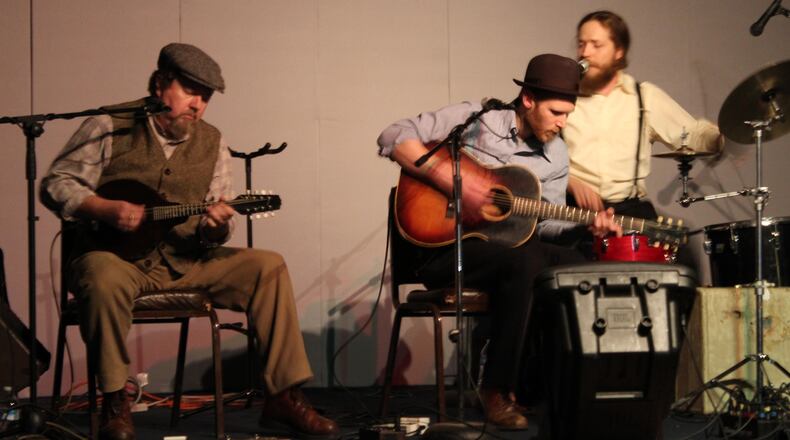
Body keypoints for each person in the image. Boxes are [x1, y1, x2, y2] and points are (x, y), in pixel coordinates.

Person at [40, 43, 339, 440]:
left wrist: (215, 226)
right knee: (101, 276)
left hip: (185, 261)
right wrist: (103, 208)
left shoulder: (212, 142)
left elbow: (216, 231)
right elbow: (56, 183)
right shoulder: (110, 124)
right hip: (118, 261)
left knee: (267, 266)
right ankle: (115, 401)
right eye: (191, 92)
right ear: (162, 83)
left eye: (206, 97)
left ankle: (283, 396)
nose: (198, 105)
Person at [376, 54, 622, 429]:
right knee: (525, 260)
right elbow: (393, 135)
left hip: (504, 252)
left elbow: (545, 223)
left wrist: (588, 225)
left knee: (574, 265)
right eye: (556, 112)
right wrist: (455, 182)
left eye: (568, 114)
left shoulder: (556, 154)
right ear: (527, 100)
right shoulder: (476, 120)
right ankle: (495, 390)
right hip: (441, 248)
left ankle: (553, 388)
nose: (563, 123)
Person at [564, 10, 723, 220]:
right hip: (574, 211)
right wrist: (569, 182)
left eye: (596, 44)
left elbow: (691, 135)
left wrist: (726, 134)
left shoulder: (643, 97)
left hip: (628, 211)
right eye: (581, 44)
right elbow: (534, 157)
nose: (586, 52)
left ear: (619, 51)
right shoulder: (564, 97)